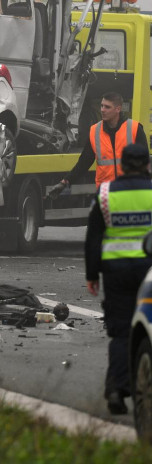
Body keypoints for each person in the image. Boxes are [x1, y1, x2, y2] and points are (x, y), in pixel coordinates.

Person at [85, 143, 152, 414]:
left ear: (122, 165)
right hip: (149, 271)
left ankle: (116, 388)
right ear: (148, 164)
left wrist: (92, 274)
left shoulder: (105, 193)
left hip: (116, 272)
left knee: (122, 331)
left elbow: (93, 238)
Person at [49, 92, 148, 198]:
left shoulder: (134, 129)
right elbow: (84, 163)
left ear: (118, 109)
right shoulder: (95, 131)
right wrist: (64, 182)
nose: (102, 110)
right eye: (101, 106)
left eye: (107, 107)